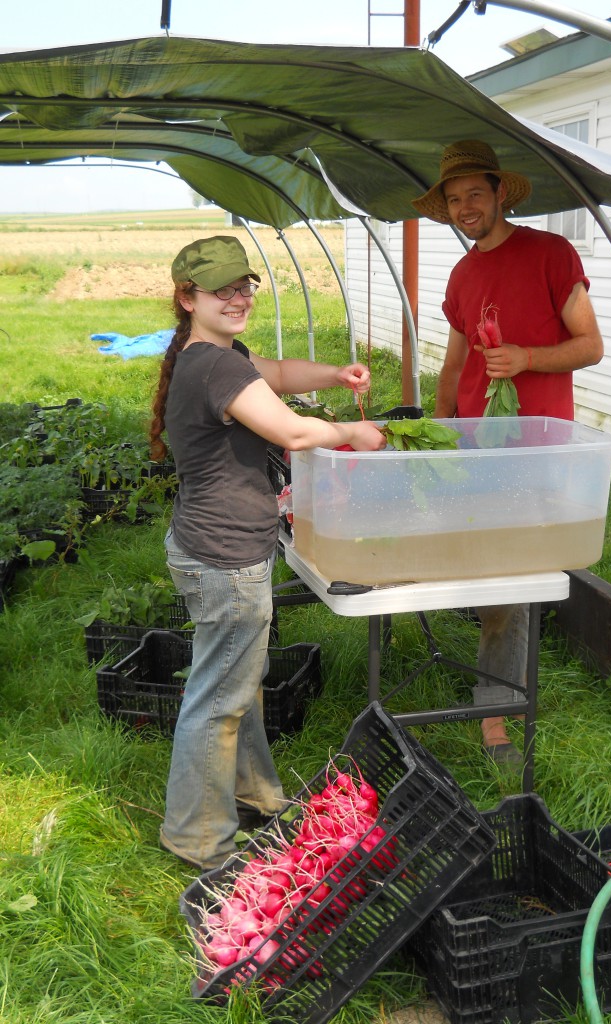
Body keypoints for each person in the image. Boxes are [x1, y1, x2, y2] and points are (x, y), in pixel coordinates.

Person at [149, 235, 386, 870]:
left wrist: (333, 374)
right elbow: (291, 428)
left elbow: (276, 377)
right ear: (187, 297)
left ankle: (256, 796)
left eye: (244, 284)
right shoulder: (216, 367)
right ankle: (198, 837)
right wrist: (353, 432)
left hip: (211, 547)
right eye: (220, 288)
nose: (238, 297)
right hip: (224, 557)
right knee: (220, 697)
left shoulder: (216, 357)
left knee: (238, 682)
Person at [412, 140, 604, 764]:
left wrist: (526, 359)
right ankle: (491, 676)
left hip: (534, 447)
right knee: (476, 561)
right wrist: (437, 430)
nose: (465, 206)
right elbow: (457, 358)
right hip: (473, 443)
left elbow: (590, 345)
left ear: (499, 194)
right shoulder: (464, 274)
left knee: (512, 576)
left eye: (475, 193)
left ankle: (496, 710)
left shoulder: (551, 254)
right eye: (453, 199)